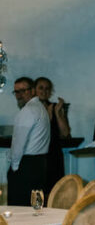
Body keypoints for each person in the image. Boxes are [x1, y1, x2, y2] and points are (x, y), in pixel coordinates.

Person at [8, 77, 50, 206]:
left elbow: (18, 144)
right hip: (40, 164)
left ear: (32, 91)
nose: (19, 95)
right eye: (16, 92)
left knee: (19, 209)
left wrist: (15, 168)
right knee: (36, 208)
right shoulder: (40, 108)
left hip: (26, 167)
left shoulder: (28, 110)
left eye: (23, 91)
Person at [35, 76, 71, 194]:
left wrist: (57, 113)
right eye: (41, 88)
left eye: (47, 88)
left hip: (54, 155)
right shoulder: (31, 109)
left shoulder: (55, 107)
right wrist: (49, 116)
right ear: (34, 90)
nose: (44, 91)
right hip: (38, 155)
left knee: (55, 191)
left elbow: (65, 133)